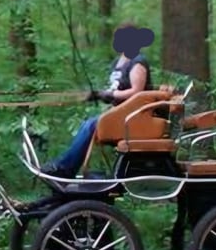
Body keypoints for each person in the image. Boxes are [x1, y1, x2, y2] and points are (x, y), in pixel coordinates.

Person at [41, 22, 155, 179]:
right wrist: (100, 95)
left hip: (134, 117)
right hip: (120, 114)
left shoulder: (137, 62)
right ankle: (66, 166)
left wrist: (110, 95)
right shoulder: (118, 62)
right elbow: (115, 89)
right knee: (88, 124)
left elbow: (136, 92)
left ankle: (65, 168)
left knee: (92, 124)